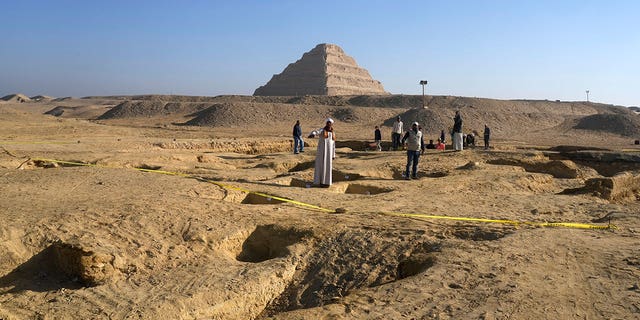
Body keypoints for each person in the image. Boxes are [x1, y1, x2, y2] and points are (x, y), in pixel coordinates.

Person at [312, 118, 336, 187]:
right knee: (320, 166)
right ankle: (319, 182)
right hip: (321, 152)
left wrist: (333, 154)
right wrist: (313, 134)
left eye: (330, 123)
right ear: (326, 124)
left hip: (329, 154)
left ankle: (326, 183)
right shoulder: (322, 130)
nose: (329, 124)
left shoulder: (333, 133)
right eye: (328, 123)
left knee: (327, 167)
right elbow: (316, 132)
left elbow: (333, 144)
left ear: (331, 124)